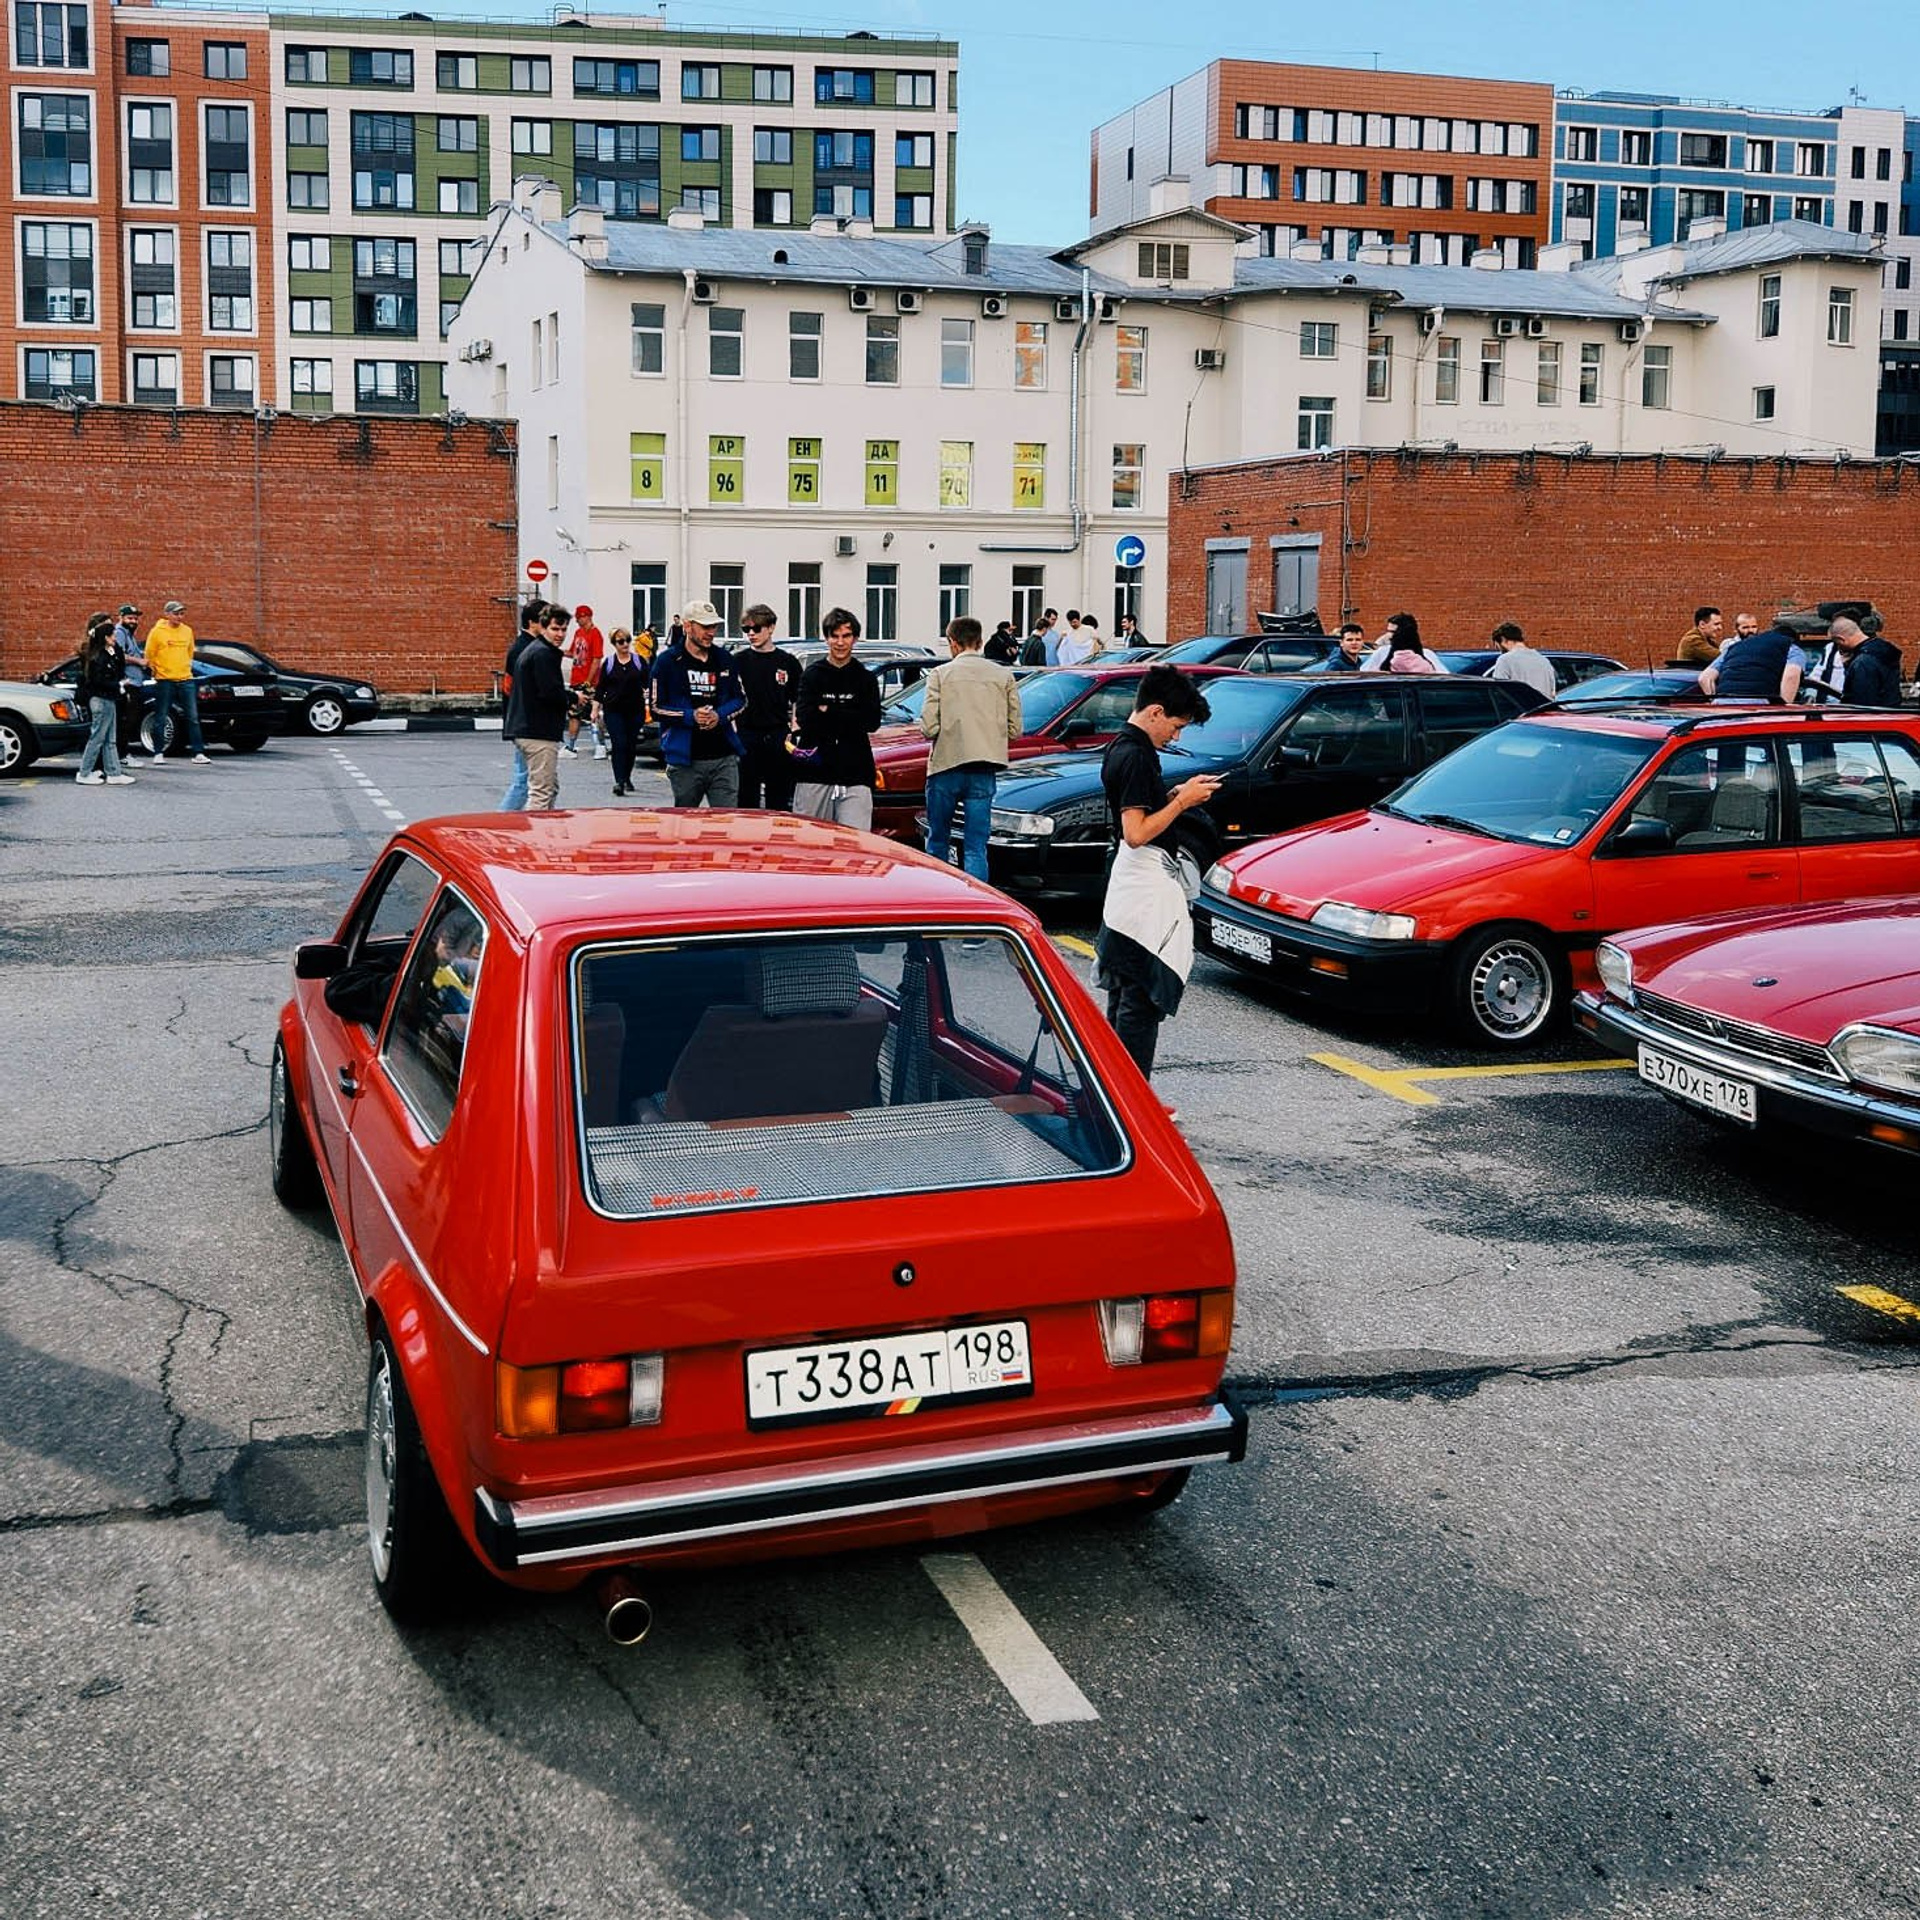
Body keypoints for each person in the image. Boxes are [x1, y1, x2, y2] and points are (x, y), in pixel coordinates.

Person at [1092, 667, 1221, 1080]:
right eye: (1176, 726)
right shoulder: (1137, 756)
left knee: (1127, 984)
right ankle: (1132, 1096)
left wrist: (1175, 794)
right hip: (1142, 881)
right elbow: (1136, 832)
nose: (1177, 737)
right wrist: (1183, 803)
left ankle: (1117, 1088)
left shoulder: (1122, 746)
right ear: (1155, 712)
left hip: (1131, 884)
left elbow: (1141, 810)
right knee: (1142, 992)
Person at [920, 614, 1022, 879]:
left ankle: (938, 898)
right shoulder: (1003, 675)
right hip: (985, 767)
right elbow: (1015, 730)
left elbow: (929, 728)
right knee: (976, 847)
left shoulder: (940, 675)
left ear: (952, 643)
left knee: (938, 840)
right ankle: (978, 904)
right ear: (979, 641)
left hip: (945, 765)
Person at [793, 607, 884, 828]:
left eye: (846, 636)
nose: (840, 642)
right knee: (811, 844)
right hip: (814, 772)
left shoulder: (865, 678)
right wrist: (851, 715)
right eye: (834, 636)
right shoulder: (812, 675)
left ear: (855, 639)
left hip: (856, 774)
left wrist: (829, 711)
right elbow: (806, 719)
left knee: (857, 845)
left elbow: (871, 721)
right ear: (826, 638)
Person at [652, 597, 746, 807]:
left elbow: (740, 699)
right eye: (705, 626)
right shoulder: (667, 661)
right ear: (687, 626)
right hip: (685, 760)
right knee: (685, 825)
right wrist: (690, 716)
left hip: (724, 757)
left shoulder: (725, 658)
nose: (711, 632)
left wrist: (719, 716)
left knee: (725, 823)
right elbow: (655, 708)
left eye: (713, 626)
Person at [735, 602, 802, 809]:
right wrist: (734, 730)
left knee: (779, 797)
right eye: (746, 629)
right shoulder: (739, 661)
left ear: (771, 627)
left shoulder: (788, 662)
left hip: (777, 735)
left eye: (757, 628)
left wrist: (794, 729)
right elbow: (729, 698)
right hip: (748, 735)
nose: (751, 634)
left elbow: (797, 699)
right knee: (747, 797)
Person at [504, 604, 571, 805]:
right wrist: (573, 699)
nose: (560, 634)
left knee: (548, 788)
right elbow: (550, 692)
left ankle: (544, 830)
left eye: (564, 629)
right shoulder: (543, 654)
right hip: (537, 732)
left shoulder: (536, 649)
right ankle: (535, 833)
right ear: (542, 627)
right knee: (540, 792)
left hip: (529, 729)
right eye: (555, 629)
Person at [143, 599, 208, 763]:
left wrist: (185, 668)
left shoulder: (187, 631)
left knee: (192, 717)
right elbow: (149, 654)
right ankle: (158, 752)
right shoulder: (157, 632)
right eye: (176, 614)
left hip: (185, 678)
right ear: (167, 614)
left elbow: (189, 652)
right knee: (161, 716)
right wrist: (157, 670)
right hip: (165, 680)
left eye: (181, 614)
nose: (179, 617)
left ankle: (198, 752)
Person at [75, 613, 135, 786]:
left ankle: (113, 773)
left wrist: (118, 683)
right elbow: (98, 680)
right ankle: (84, 773)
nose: (116, 638)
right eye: (113, 635)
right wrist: (119, 685)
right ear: (106, 638)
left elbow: (118, 666)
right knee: (97, 737)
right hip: (101, 700)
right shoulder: (98, 657)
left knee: (110, 738)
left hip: (108, 698)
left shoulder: (108, 653)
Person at [498, 599, 546, 809]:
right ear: (532, 623)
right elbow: (518, 689)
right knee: (523, 782)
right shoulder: (524, 649)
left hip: (521, 721)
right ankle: (499, 825)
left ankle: (517, 825)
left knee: (531, 780)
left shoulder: (524, 646)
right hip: (525, 723)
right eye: (545, 621)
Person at [595, 628, 649, 796]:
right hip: (614, 710)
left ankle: (627, 777)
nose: (625, 644)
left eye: (627, 640)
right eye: (620, 641)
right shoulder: (609, 663)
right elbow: (601, 688)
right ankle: (619, 781)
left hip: (635, 710)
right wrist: (595, 709)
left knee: (631, 746)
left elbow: (649, 682)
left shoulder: (639, 661)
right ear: (614, 644)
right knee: (619, 744)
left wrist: (647, 692)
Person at [1699, 622, 1800, 703]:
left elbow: (1704, 678)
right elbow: (1791, 676)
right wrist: (1784, 708)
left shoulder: (1735, 647)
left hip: (1721, 702)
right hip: (1757, 703)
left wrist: (1714, 700)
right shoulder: (1791, 647)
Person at [1822, 615, 1904, 708]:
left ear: (1841, 639)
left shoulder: (1862, 663)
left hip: (1871, 718)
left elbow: (1861, 703)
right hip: (1890, 714)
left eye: (1837, 643)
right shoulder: (1883, 652)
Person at [564, 604, 607, 757]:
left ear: (586, 616)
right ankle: (570, 747)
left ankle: (600, 746)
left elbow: (596, 659)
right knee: (574, 713)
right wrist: (558, 652)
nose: (577, 621)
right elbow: (572, 653)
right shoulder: (578, 632)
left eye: (578, 618)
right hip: (576, 679)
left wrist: (588, 681)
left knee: (594, 713)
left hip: (590, 682)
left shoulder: (596, 634)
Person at [1487, 620, 1558, 700]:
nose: (1499, 650)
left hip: (1519, 710)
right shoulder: (1544, 660)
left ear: (1503, 639)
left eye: (1497, 646)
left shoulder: (1505, 660)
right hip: (1542, 710)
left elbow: (1499, 692)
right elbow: (1552, 693)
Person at [1367, 611, 1446, 675]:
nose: (1389, 636)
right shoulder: (1381, 652)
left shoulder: (1428, 655)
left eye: (1393, 632)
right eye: (1388, 631)